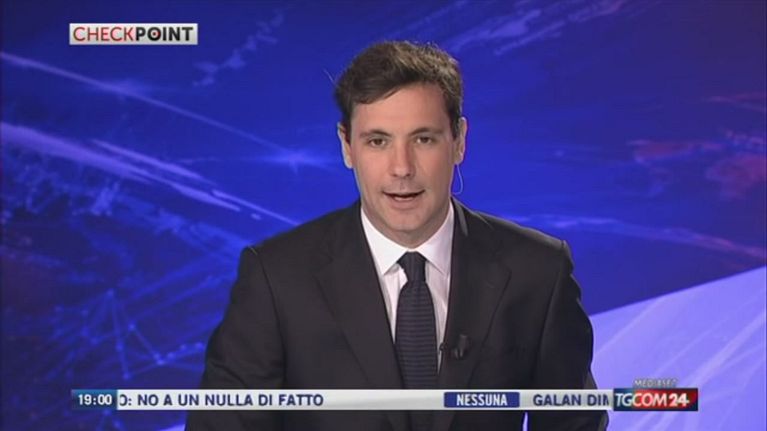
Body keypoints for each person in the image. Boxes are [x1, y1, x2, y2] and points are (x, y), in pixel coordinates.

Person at [186, 41, 608, 431]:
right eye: (378, 141)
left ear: (458, 141)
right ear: (347, 146)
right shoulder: (276, 279)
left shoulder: (538, 272)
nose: (402, 168)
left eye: (423, 139)